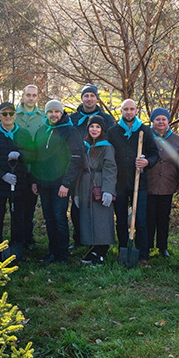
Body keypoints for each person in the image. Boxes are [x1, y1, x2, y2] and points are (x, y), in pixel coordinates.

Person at [29, 100, 83, 263]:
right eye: (50, 112)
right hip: (44, 183)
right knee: (49, 218)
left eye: (56, 112)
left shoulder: (70, 131)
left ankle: (62, 255)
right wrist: (34, 180)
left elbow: (76, 158)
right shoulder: (41, 131)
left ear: (62, 113)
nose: (53, 115)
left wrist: (66, 183)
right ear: (46, 113)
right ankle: (52, 252)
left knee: (59, 217)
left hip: (61, 184)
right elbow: (36, 157)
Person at [107, 99, 159, 265]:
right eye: (125, 109)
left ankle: (142, 254)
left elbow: (154, 154)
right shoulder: (113, 132)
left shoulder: (144, 131)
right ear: (121, 111)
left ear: (136, 111)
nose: (129, 112)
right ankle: (123, 249)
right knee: (121, 220)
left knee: (141, 220)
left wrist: (147, 162)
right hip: (120, 183)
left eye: (131, 109)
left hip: (139, 183)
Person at [0, 102, 31, 258]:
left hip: (19, 184)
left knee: (18, 217)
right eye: (4, 114)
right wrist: (2, 175)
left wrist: (21, 154)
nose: (8, 117)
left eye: (11, 114)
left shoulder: (24, 134)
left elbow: (33, 154)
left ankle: (17, 248)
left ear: (15, 116)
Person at [69, 84, 115, 246]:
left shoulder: (106, 119)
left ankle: (99, 242)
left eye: (92, 96)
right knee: (77, 208)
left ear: (97, 98)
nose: (89, 99)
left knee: (98, 208)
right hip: (79, 167)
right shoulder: (74, 118)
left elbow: (110, 142)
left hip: (98, 168)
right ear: (82, 98)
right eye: (86, 96)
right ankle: (80, 238)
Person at [75, 117, 117, 265]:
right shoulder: (85, 145)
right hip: (85, 184)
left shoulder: (107, 147)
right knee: (87, 218)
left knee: (101, 218)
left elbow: (110, 169)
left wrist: (108, 190)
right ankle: (93, 248)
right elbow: (79, 169)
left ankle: (101, 250)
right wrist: (76, 193)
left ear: (102, 129)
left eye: (97, 127)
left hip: (99, 184)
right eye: (92, 126)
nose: (94, 129)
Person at [146, 107, 179, 257]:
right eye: (158, 119)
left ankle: (163, 246)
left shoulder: (176, 140)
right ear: (153, 121)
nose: (161, 122)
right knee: (148, 217)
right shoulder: (146, 136)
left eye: (163, 119)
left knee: (163, 217)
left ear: (168, 121)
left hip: (168, 184)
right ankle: (147, 245)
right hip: (149, 183)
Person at [15, 85, 47, 247]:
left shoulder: (43, 116)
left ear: (37, 98)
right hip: (17, 165)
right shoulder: (14, 115)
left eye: (34, 95)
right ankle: (18, 238)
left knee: (31, 204)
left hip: (36, 166)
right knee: (17, 204)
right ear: (23, 96)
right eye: (28, 95)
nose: (31, 98)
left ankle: (29, 236)